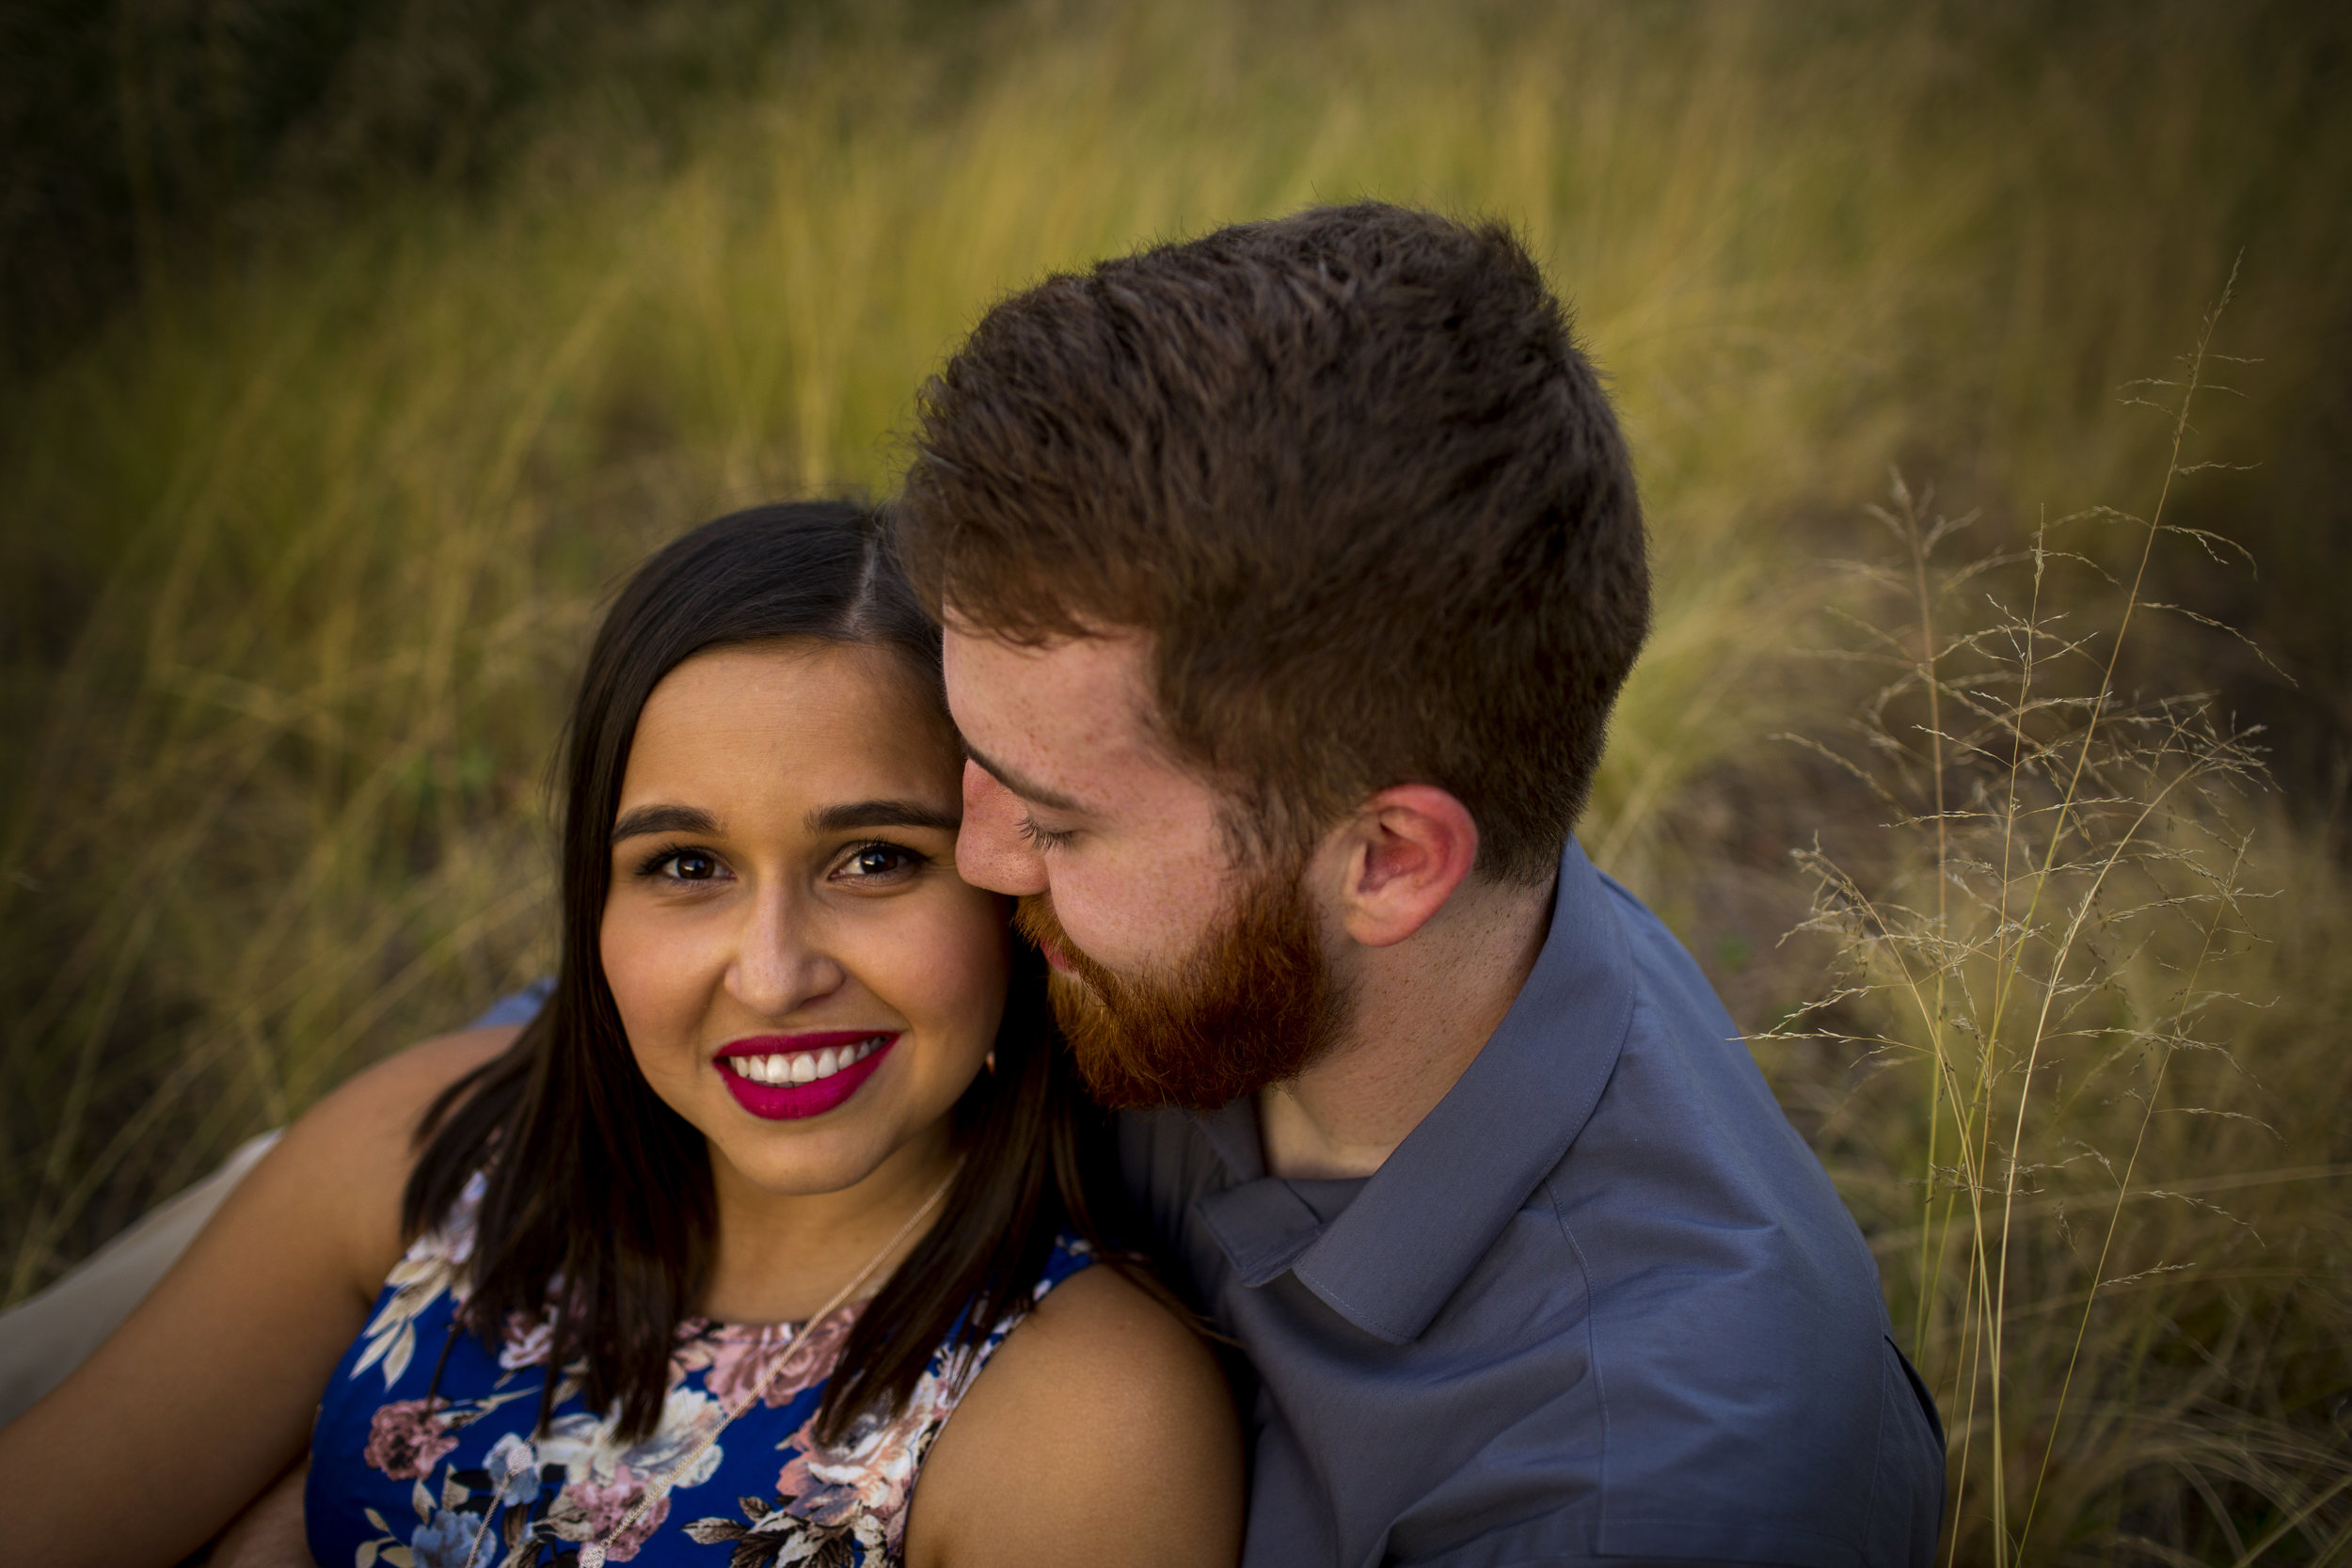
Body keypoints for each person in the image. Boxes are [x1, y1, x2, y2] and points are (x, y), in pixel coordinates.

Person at [892, 203, 1948, 1566]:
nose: (976, 859)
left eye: (1056, 821)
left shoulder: (1642, 1494)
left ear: (1390, 863)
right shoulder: (1266, 947)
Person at [0, 502, 1242, 1568]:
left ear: (1006, 879)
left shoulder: (1084, 1414)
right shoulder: (441, 1157)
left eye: (875, 859)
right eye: (686, 864)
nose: (772, 975)